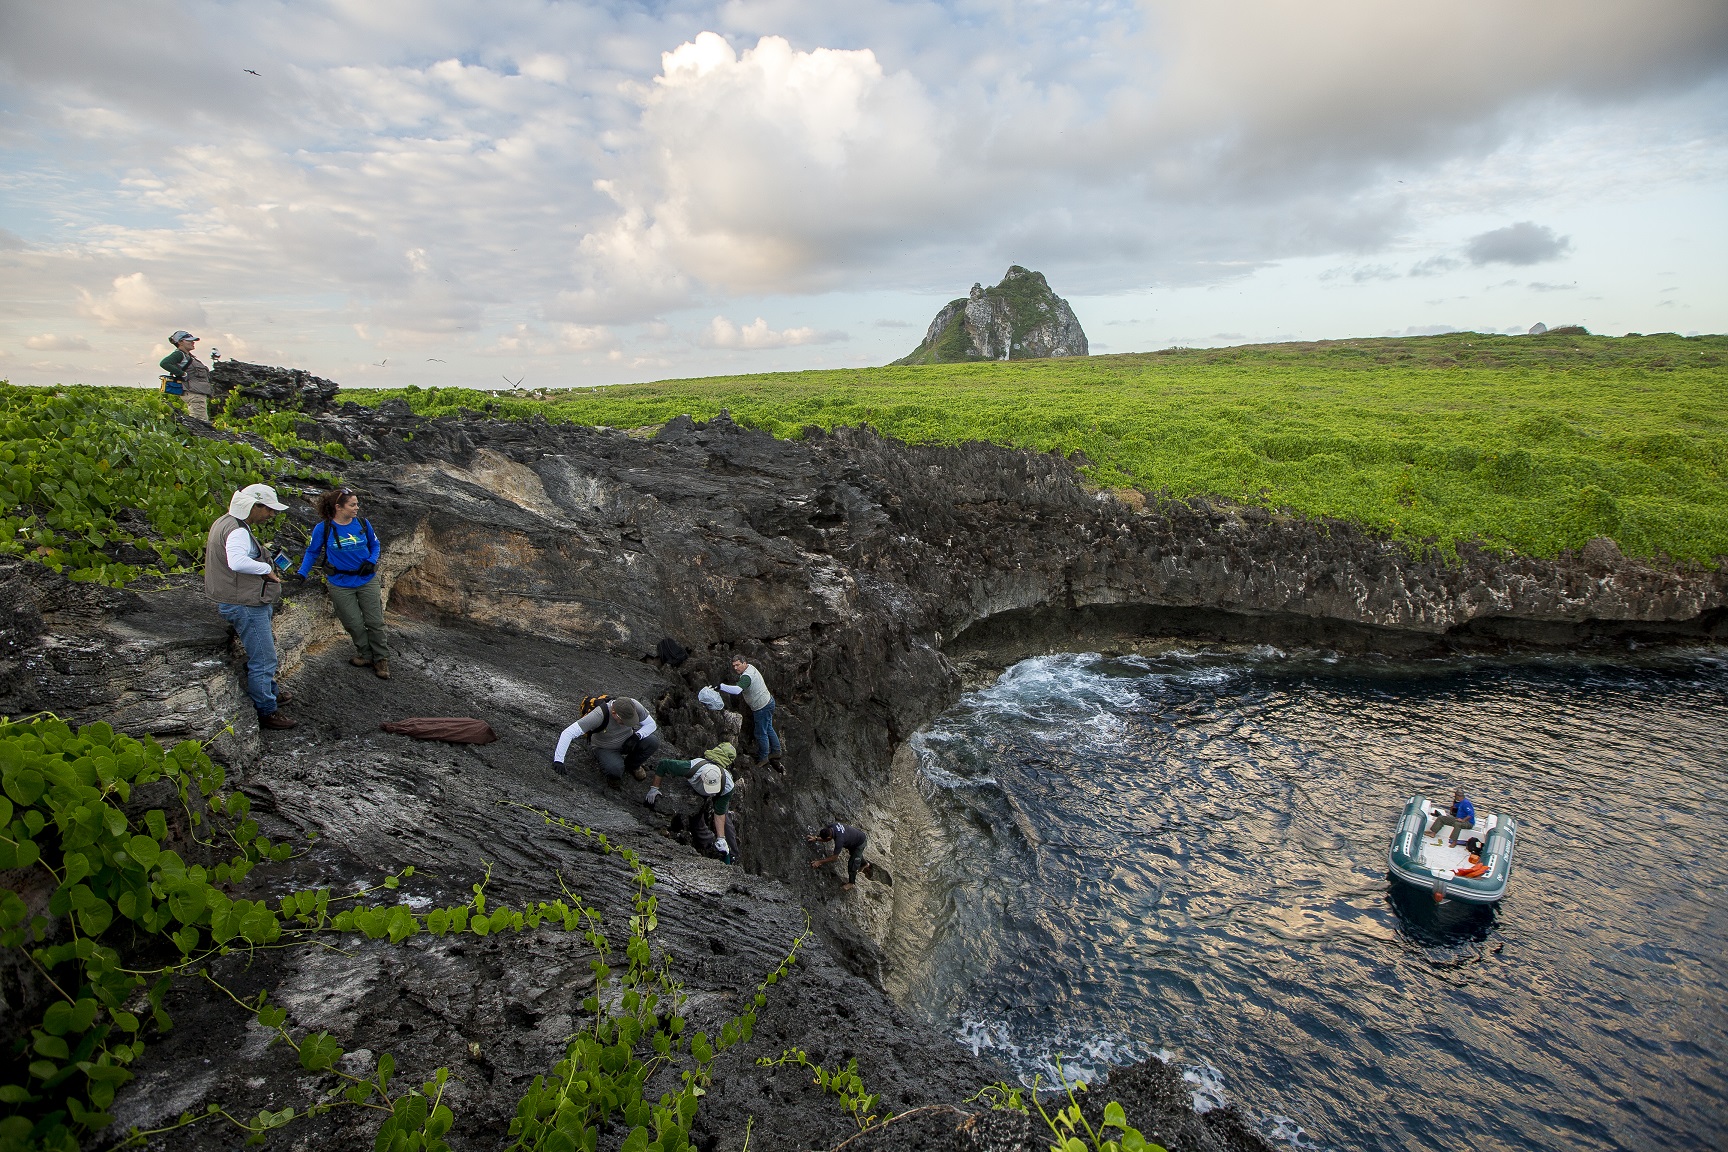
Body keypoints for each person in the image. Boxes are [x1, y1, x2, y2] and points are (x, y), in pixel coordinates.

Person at [205, 483, 295, 730]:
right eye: (268, 509)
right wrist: (266, 569)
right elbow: (236, 561)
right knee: (264, 658)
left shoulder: (224, 522)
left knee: (264, 654)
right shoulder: (238, 531)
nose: (271, 515)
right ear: (254, 506)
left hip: (237, 599)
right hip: (245, 604)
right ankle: (266, 711)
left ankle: (272, 692)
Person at [297, 486, 389, 679]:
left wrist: (371, 561)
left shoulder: (363, 524)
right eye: (352, 504)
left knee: (375, 622)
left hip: (366, 579)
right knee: (353, 623)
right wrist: (302, 573)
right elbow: (312, 552)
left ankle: (381, 659)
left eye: (357, 504)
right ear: (339, 507)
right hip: (340, 582)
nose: (357, 508)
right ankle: (366, 654)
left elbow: (375, 545)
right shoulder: (324, 528)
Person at [644, 743, 737, 859]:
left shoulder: (727, 786)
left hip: (720, 789)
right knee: (696, 818)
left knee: (724, 819)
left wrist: (721, 838)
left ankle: (730, 854)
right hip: (697, 788)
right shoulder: (692, 768)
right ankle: (708, 846)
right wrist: (654, 788)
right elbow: (664, 764)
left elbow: (719, 813)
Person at [553, 696, 660, 786]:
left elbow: (651, 724)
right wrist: (559, 760)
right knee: (615, 770)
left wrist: (637, 736)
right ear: (614, 713)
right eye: (624, 721)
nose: (627, 723)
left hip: (628, 741)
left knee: (652, 742)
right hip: (605, 747)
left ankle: (632, 765)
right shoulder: (599, 715)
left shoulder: (633, 706)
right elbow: (568, 733)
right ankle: (614, 769)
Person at [715, 655, 782, 769]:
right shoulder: (751, 667)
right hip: (768, 701)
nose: (736, 668)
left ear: (744, 663)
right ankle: (776, 751)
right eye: (734, 666)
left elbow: (737, 690)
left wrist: (721, 686)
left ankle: (763, 758)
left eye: (738, 665)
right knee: (768, 727)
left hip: (762, 707)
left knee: (760, 733)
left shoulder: (747, 677)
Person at [159, 331, 214, 422]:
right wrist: (182, 374)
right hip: (194, 393)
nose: (193, 342)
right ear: (180, 342)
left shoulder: (188, 356)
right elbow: (164, 363)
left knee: (201, 422)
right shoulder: (179, 354)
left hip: (197, 393)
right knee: (201, 423)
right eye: (189, 341)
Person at [808, 821, 871, 890]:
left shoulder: (839, 840)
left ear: (829, 837)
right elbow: (827, 838)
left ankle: (851, 883)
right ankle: (864, 864)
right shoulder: (831, 826)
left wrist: (819, 862)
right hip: (852, 838)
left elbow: (835, 858)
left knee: (853, 862)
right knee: (854, 854)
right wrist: (816, 838)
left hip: (860, 842)